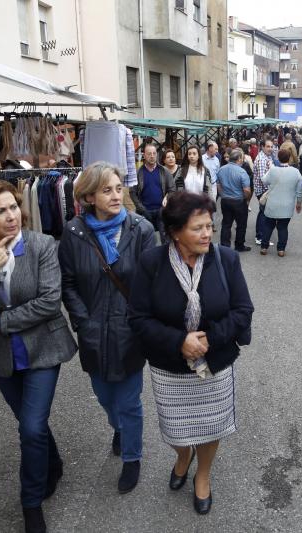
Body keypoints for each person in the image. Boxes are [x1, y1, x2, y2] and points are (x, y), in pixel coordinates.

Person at [0, 180, 77, 533]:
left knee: (31, 425)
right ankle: (52, 464)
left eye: (13, 208)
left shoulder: (41, 245)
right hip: (0, 356)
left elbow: (50, 303)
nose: (11, 217)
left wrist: (0, 318)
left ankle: (31, 503)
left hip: (42, 349)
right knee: (30, 423)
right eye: (0, 211)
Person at [128, 192, 254, 515]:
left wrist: (209, 339)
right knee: (175, 430)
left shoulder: (225, 259)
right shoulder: (152, 263)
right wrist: (178, 341)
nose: (207, 234)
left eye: (210, 226)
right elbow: (138, 318)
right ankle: (183, 456)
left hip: (214, 365)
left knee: (212, 428)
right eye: (198, 228)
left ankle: (203, 473)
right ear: (175, 232)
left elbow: (242, 310)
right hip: (170, 367)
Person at [58, 163, 156, 495]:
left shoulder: (140, 229)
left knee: (129, 401)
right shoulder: (73, 233)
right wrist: (83, 322)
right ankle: (119, 428)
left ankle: (132, 456)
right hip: (93, 332)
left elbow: (150, 284)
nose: (116, 195)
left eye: (118, 188)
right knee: (104, 396)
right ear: (87, 196)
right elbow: (68, 283)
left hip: (129, 332)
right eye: (106, 190)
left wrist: (141, 323)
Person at [259, 148, 302, 257]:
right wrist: (299, 203)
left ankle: (264, 247)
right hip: (287, 205)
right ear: (289, 158)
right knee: (283, 227)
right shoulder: (296, 172)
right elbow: (300, 190)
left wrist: (270, 169)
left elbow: (264, 180)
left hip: (272, 204)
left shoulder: (273, 170)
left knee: (268, 226)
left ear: (278, 158)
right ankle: (281, 250)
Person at [136, 144, 175, 242]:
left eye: (154, 153)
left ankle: (166, 256)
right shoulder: (139, 173)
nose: (152, 156)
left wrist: (167, 197)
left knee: (166, 239)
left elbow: (172, 189)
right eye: (149, 154)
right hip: (145, 212)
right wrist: (141, 208)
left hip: (161, 210)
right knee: (147, 240)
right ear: (144, 155)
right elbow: (132, 192)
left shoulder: (164, 171)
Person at [216, 148, 252, 251]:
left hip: (225, 200)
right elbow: (246, 190)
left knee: (226, 224)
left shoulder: (221, 169)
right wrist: (246, 198)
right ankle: (239, 245)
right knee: (241, 224)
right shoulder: (242, 172)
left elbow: (218, 185)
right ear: (239, 159)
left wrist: (223, 195)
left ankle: (224, 246)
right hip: (238, 201)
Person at [253, 139, 275, 245]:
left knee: (263, 213)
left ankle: (260, 235)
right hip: (263, 190)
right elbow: (263, 179)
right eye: (268, 146)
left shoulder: (267, 156)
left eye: (271, 146)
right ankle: (260, 237)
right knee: (264, 214)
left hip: (264, 190)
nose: (270, 148)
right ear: (262, 147)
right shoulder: (262, 159)